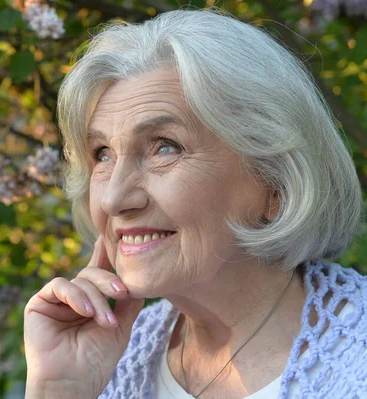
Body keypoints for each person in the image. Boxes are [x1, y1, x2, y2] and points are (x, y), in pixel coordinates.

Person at [23, 9, 365, 399]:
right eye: (102, 154)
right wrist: (59, 390)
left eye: (163, 148)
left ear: (275, 181)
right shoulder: (106, 360)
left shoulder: (355, 355)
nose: (115, 198)